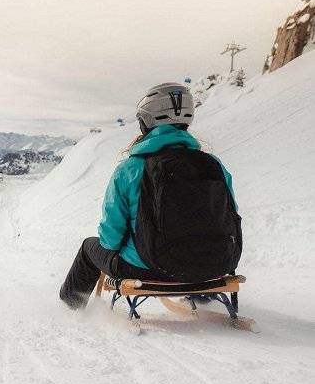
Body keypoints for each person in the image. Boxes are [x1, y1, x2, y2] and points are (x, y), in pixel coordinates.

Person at [59, 83, 239, 309]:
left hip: (147, 266)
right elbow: (229, 216)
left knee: (89, 247)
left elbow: (111, 238)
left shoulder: (131, 168)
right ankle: (202, 299)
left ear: (147, 123)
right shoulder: (214, 165)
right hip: (214, 265)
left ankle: (70, 309)